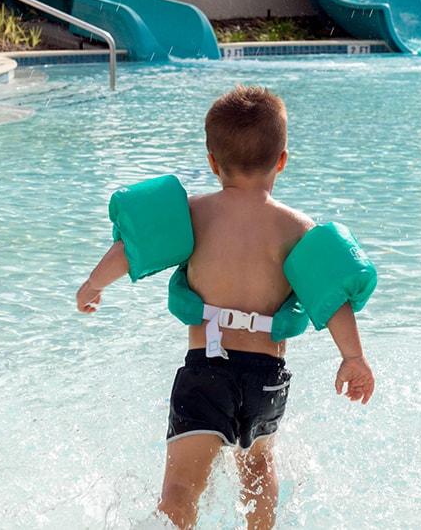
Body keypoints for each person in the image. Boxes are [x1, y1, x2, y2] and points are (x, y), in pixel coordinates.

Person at [76, 85, 376, 530]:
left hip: (206, 371)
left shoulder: (194, 214)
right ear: (282, 161)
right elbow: (331, 298)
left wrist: (93, 285)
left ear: (213, 163)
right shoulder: (298, 229)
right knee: (258, 472)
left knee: (180, 490)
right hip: (265, 378)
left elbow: (131, 248)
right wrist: (353, 357)